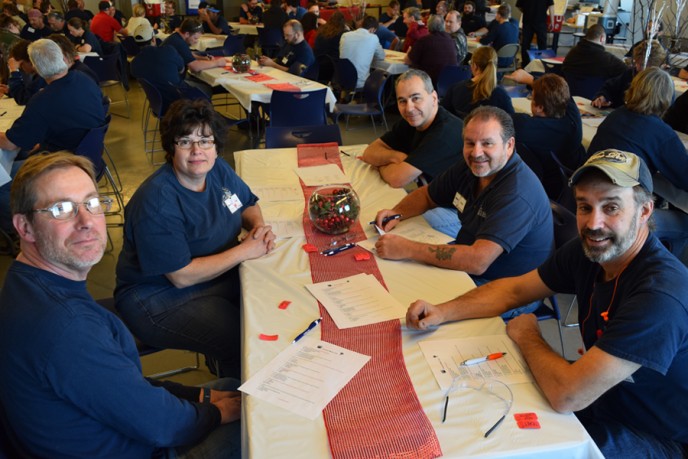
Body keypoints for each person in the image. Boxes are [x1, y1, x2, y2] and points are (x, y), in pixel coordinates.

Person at [406, 150, 688, 458]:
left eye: (611, 207)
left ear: (645, 211)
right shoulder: (588, 252)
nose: (594, 224)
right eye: (584, 206)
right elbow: (514, 291)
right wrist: (442, 311)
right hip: (607, 397)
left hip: (659, 435)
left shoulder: (659, 295)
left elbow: (567, 395)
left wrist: (528, 334)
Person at [0, 152, 243, 458]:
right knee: (260, 421)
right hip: (140, 446)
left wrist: (201, 395)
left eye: (92, 203)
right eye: (62, 209)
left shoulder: (25, 283)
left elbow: (122, 386)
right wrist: (216, 413)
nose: (86, 222)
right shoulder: (67, 326)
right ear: (25, 227)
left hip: (101, 427)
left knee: (233, 386)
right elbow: (162, 425)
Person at [115, 99, 275, 379]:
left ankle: (226, 366)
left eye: (205, 141)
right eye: (185, 141)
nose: (197, 151)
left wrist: (258, 226)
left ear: (215, 145)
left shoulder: (218, 172)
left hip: (213, 276)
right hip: (156, 298)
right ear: (171, 147)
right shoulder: (157, 201)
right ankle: (237, 399)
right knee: (241, 336)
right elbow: (181, 276)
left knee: (267, 301)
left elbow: (246, 203)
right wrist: (246, 251)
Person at [374, 105, 552, 310]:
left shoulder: (516, 193)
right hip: (474, 263)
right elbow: (428, 195)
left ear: (509, 145)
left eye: (487, 143)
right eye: (470, 143)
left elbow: (477, 261)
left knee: (407, 301)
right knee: (400, 276)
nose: (476, 152)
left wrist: (407, 249)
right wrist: (397, 212)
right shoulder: (472, 167)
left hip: (507, 289)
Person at [0, 39, 106, 234]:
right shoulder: (83, 79)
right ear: (62, 58)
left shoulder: (43, 100)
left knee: (2, 181)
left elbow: (10, 144)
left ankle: (24, 233)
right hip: (92, 156)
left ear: (36, 68)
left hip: (66, 163)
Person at [588, 68, 688, 264]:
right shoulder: (660, 133)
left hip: (592, 205)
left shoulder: (615, 116)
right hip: (622, 220)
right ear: (666, 98)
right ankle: (662, 273)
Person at [361, 69, 462, 193]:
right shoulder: (413, 120)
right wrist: (398, 157)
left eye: (416, 98)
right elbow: (369, 153)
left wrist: (380, 164)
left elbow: (396, 179)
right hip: (431, 194)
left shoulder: (443, 134)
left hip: (453, 208)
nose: (409, 108)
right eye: (402, 101)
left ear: (434, 98)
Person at [512, 73, 584, 201]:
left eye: (532, 98)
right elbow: (567, 97)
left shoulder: (523, 126)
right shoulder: (574, 123)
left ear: (539, 108)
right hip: (569, 192)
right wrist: (533, 81)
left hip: (537, 190)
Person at [441, 46, 513, 118]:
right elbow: (512, 122)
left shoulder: (455, 89)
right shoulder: (502, 96)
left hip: (460, 128)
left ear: (474, 66)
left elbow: (443, 115)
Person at [162, 18, 228, 95]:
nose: (196, 41)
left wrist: (203, 58)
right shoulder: (179, 43)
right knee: (207, 89)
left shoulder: (175, 38)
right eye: (195, 38)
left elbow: (187, 54)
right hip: (171, 87)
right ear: (187, 34)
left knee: (202, 81)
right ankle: (200, 106)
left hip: (164, 81)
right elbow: (195, 67)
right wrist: (217, 62)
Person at [591, 39, 666, 109]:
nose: (637, 67)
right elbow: (610, 87)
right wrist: (603, 97)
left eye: (641, 65)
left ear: (655, 66)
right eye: (636, 62)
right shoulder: (630, 73)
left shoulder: (661, 85)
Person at [405, 14, 456, 87]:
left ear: (428, 26)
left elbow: (408, 61)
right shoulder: (451, 40)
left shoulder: (424, 41)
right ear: (443, 25)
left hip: (428, 81)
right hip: (450, 81)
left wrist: (409, 52)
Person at [561, 24, 626, 79]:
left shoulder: (571, 53)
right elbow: (626, 71)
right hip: (597, 93)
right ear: (602, 38)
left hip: (571, 92)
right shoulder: (607, 59)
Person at [339, 15, 385, 89]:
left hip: (342, 78)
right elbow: (381, 56)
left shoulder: (345, 35)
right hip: (360, 82)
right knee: (382, 75)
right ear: (373, 29)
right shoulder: (373, 38)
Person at [5, 39, 45, 104]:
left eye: (20, 65)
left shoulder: (42, 77)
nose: (21, 68)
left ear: (30, 60)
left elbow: (22, 99)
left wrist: (14, 71)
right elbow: (27, 92)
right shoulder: (40, 75)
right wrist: (10, 91)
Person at [517, 0, 553, 66]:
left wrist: (527, 11)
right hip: (541, 21)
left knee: (525, 44)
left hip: (528, 20)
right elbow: (551, 6)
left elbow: (519, 6)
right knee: (542, 44)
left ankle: (525, 65)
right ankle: (542, 65)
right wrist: (552, 22)